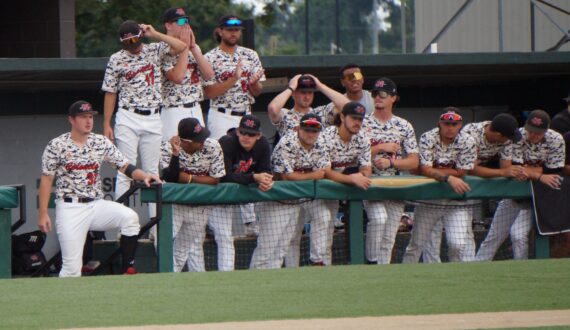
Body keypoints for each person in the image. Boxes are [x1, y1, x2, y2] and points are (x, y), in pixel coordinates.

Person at [38, 100, 161, 277]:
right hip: (70, 207)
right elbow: (47, 179)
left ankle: (128, 270)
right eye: (83, 117)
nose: (88, 121)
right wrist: (43, 213)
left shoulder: (100, 142)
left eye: (90, 117)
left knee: (130, 218)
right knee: (72, 269)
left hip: (96, 205)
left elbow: (125, 166)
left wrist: (144, 176)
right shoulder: (57, 145)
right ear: (71, 120)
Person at [101, 20, 186, 220]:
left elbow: (182, 47)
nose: (133, 45)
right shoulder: (116, 58)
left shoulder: (153, 50)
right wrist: (106, 124)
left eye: (136, 40)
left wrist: (154, 33)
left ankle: (156, 229)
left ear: (141, 36)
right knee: (124, 170)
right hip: (128, 115)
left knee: (152, 172)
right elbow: (110, 92)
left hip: (153, 116)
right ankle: (123, 226)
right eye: (128, 42)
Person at [422, 113, 523, 262]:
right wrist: (502, 172)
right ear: (497, 134)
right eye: (506, 137)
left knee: (463, 233)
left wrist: (510, 172)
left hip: (468, 186)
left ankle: (467, 264)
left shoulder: (505, 139)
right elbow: (470, 168)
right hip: (448, 181)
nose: (509, 140)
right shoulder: (471, 132)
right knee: (433, 232)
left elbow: (506, 167)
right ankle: (436, 267)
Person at [476, 110, 564, 261]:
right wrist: (540, 175)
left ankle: (522, 268)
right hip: (515, 194)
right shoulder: (517, 136)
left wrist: (532, 173)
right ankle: (475, 267)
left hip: (539, 197)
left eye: (538, 132)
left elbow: (555, 170)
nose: (533, 135)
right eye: (531, 131)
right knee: (494, 235)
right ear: (526, 126)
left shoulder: (555, 138)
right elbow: (514, 168)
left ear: (546, 129)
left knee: (518, 235)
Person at [251, 113, 331, 269]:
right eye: (307, 129)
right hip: (274, 199)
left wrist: (303, 176)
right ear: (298, 129)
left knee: (281, 250)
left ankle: (270, 286)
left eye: (314, 130)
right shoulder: (288, 142)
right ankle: (253, 283)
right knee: (267, 249)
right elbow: (287, 178)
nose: (310, 133)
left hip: (295, 200)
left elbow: (323, 173)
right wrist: (312, 175)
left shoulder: (321, 143)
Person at [402, 107, 476, 263]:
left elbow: (463, 170)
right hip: (430, 198)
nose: (450, 127)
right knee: (417, 244)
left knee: (458, 244)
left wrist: (437, 172)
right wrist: (448, 177)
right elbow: (424, 168)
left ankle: (453, 276)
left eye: (454, 124)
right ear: (439, 124)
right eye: (446, 123)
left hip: (454, 199)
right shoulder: (428, 137)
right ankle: (405, 275)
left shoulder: (467, 141)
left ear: (460, 125)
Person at [362, 77, 419, 264]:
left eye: (383, 94)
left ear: (393, 98)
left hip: (395, 184)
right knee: (379, 219)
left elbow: (413, 161)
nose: (378, 97)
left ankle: (383, 272)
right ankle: (371, 263)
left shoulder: (404, 125)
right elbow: (352, 155)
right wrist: (379, 148)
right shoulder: (363, 123)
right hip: (371, 183)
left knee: (390, 235)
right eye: (374, 94)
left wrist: (392, 164)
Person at [160, 118, 225, 272]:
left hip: (200, 206)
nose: (203, 141)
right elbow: (170, 178)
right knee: (163, 242)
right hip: (175, 206)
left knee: (183, 250)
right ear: (186, 142)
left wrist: (189, 178)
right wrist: (175, 155)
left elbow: (215, 179)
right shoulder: (167, 147)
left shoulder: (212, 145)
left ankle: (170, 281)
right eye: (198, 139)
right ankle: (164, 278)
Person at [212, 114, 273, 271]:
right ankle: (225, 276)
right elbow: (223, 176)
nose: (246, 137)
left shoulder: (263, 144)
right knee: (224, 236)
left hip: (243, 190)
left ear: (258, 135)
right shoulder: (227, 142)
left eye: (251, 134)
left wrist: (266, 180)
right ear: (238, 131)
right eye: (243, 132)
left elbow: (266, 170)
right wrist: (254, 177)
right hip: (217, 195)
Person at [323, 102, 373, 265]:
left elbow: (367, 169)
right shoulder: (327, 136)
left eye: (360, 119)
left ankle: (322, 270)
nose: (357, 122)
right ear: (343, 117)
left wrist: (360, 175)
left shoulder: (362, 138)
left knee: (327, 232)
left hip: (332, 192)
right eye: (353, 118)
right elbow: (324, 171)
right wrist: (352, 179)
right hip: (311, 188)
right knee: (294, 236)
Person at [203, 14, 265, 140]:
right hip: (221, 115)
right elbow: (209, 93)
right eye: (229, 30)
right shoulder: (210, 57)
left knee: (246, 156)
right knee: (221, 154)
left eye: (237, 30)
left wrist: (253, 84)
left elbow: (257, 92)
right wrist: (234, 79)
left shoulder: (250, 55)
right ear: (220, 31)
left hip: (245, 115)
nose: (233, 33)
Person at [160, 7, 214, 139]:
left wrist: (193, 47)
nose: (185, 25)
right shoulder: (162, 48)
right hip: (173, 110)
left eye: (186, 21)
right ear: (168, 25)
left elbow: (209, 75)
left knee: (198, 153)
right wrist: (184, 48)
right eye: (180, 22)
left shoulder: (193, 47)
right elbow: (177, 77)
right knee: (174, 152)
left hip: (195, 107)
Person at [267, 74, 348, 138]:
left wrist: (320, 86)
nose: (307, 97)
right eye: (303, 92)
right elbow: (273, 109)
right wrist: (291, 88)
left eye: (310, 92)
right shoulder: (286, 114)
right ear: (293, 94)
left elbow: (347, 106)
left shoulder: (320, 112)